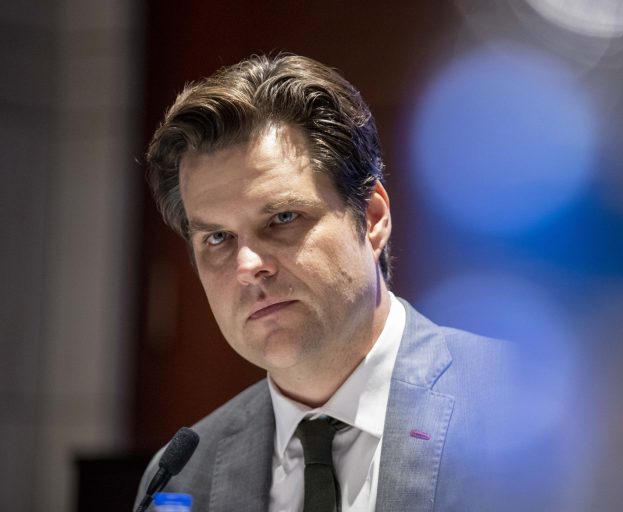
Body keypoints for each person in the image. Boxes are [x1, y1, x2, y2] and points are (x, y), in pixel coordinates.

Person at [135, 54, 554, 511]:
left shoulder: (530, 412)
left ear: (372, 218)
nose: (248, 265)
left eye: (282, 218)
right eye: (218, 237)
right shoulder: (183, 477)